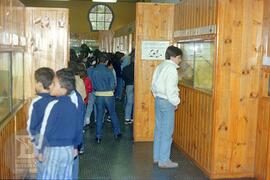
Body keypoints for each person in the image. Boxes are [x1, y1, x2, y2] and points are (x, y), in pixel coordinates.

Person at [38, 68, 84, 179]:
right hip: (68, 150)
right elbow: (78, 127)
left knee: (48, 176)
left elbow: (45, 129)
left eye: (54, 84)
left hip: (53, 149)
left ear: (63, 88)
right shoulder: (73, 104)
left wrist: (41, 150)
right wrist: (76, 146)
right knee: (65, 176)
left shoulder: (53, 105)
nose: (50, 86)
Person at [151, 45, 183, 168]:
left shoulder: (160, 66)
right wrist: (176, 102)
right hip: (167, 101)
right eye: (179, 57)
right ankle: (164, 161)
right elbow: (171, 90)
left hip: (158, 99)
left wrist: (157, 96)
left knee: (159, 129)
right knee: (167, 132)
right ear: (173, 57)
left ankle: (157, 157)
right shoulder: (171, 69)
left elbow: (153, 85)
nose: (180, 60)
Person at [27, 67, 55, 179]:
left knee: (41, 171)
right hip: (55, 143)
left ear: (39, 83)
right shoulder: (56, 99)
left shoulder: (36, 102)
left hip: (40, 143)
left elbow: (31, 127)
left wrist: (34, 142)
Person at [91, 52, 122, 144]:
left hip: (98, 95)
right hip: (109, 95)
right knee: (112, 114)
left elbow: (92, 84)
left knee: (99, 116)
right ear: (107, 61)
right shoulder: (109, 71)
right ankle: (117, 132)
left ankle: (98, 136)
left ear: (97, 60)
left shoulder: (94, 71)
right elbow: (113, 84)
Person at [122, 53, 134, 125]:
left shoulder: (125, 68)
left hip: (128, 85)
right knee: (136, 103)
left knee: (129, 102)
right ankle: (133, 117)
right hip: (137, 85)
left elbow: (123, 77)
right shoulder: (138, 68)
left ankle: (127, 118)